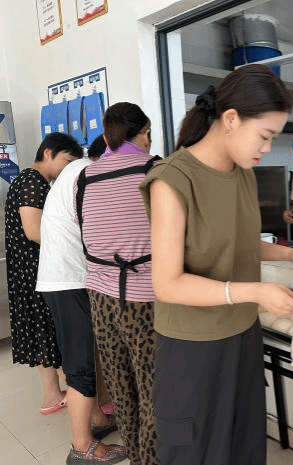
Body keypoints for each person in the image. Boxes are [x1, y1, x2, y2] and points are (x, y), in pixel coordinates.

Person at [139, 64, 293, 465]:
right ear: (231, 119)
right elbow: (167, 284)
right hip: (193, 345)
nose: (267, 148)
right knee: (195, 451)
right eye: (265, 135)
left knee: (244, 444)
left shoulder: (243, 174)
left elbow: (239, 243)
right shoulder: (172, 179)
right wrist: (255, 291)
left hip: (242, 333)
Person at [76, 103, 158, 465]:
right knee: (153, 387)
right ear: (138, 133)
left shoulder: (86, 176)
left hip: (99, 296)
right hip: (145, 296)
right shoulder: (153, 168)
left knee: (120, 384)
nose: (149, 140)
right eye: (147, 133)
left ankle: (137, 458)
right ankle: (154, 459)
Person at [37, 133, 126, 464]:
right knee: (81, 365)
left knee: (84, 358)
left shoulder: (75, 173)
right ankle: (82, 447)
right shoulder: (87, 172)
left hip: (61, 279)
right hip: (69, 280)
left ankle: (97, 420)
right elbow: (101, 231)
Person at [4, 132, 81, 415]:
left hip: (25, 270)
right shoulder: (32, 181)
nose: (68, 169)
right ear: (48, 152)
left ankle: (51, 395)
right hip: (35, 270)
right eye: (67, 161)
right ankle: (67, 393)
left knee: (41, 331)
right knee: (48, 329)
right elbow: (34, 231)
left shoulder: (28, 179)